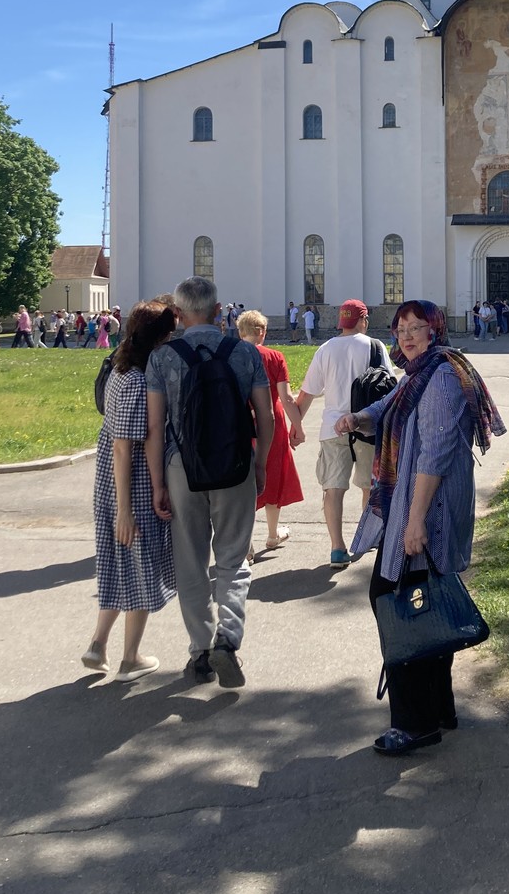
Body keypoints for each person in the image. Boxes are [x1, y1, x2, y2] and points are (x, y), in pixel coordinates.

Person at [335, 299, 505, 755]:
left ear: (436, 331)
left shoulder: (443, 376)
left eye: (417, 327)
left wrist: (413, 523)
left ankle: (415, 724)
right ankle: (439, 709)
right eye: (401, 328)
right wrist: (357, 418)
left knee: (398, 604)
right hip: (414, 505)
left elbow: (434, 453)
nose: (407, 335)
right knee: (422, 604)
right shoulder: (417, 374)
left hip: (425, 509)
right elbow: (385, 405)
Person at [145, 276, 274, 687]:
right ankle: (228, 637)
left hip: (182, 467)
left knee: (191, 561)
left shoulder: (163, 358)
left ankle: (199, 651)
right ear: (220, 312)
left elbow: (154, 426)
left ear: (178, 314)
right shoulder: (244, 352)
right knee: (234, 558)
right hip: (235, 463)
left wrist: (157, 484)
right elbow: (266, 416)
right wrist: (262, 463)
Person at [82, 300, 179, 682]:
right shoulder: (139, 381)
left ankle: (97, 643)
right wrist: (126, 509)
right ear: (160, 338)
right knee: (142, 568)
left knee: (119, 564)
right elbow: (124, 444)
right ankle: (130, 658)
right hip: (131, 485)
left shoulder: (120, 369)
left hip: (110, 482)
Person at [294, 300, 394, 567]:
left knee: (333, 489)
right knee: (367, 486)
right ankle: (366, 537)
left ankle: (337, 548)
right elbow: (390, 385)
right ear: (363, 320)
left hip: (332, 427)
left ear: (341, 321)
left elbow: (307, 393)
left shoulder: (325, 349)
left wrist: (297, 426)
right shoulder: (375, 346)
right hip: (367, 426)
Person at [237, 309, 304, 553]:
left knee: (242, 481)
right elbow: (286, 397)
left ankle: (246, 544)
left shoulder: (232, 356)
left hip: (241, 422)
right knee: (271, 476)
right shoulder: (275, 357)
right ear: (262, 331)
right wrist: (298, 427)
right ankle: (273, 534)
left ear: (240, 332)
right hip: (271, 423)